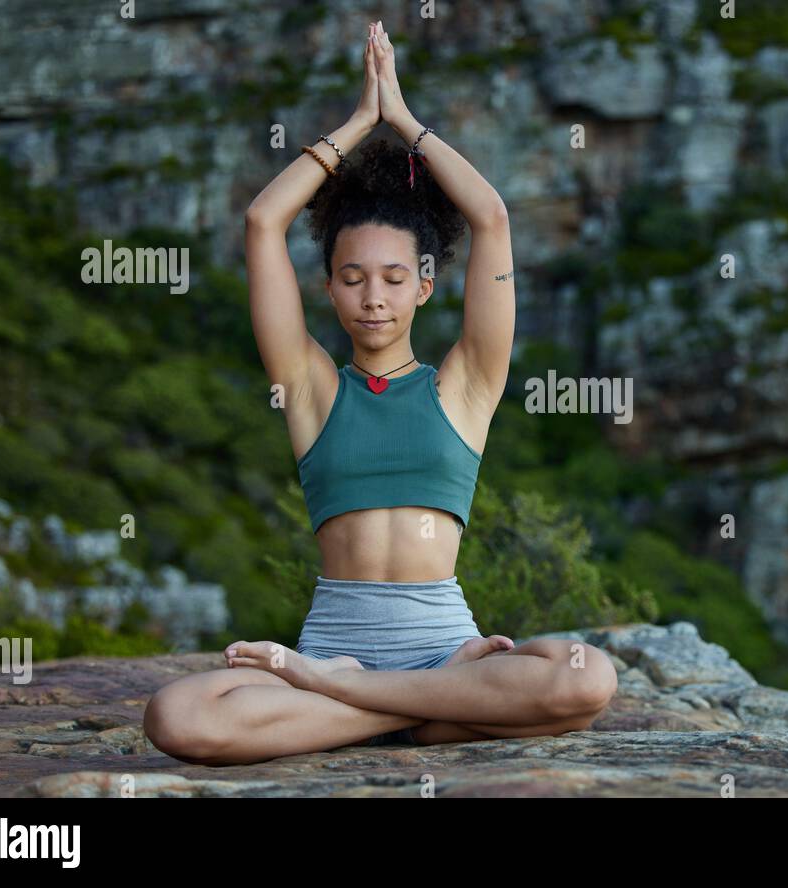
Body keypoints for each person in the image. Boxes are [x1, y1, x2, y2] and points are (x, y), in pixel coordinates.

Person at [143, 20, 616, 765]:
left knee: (589, 679)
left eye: (395, 279)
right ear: (329, 289)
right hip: (335, 649)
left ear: (426, 286)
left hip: (437, 646)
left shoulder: (465, 387)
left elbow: (490, 217)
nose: (374, 298)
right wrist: (357, 125)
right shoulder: (309, 389)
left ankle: (362, 702)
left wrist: (404, 122)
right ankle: (412, 712)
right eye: (353, 278)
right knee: (176, 715)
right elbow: (265, 221)